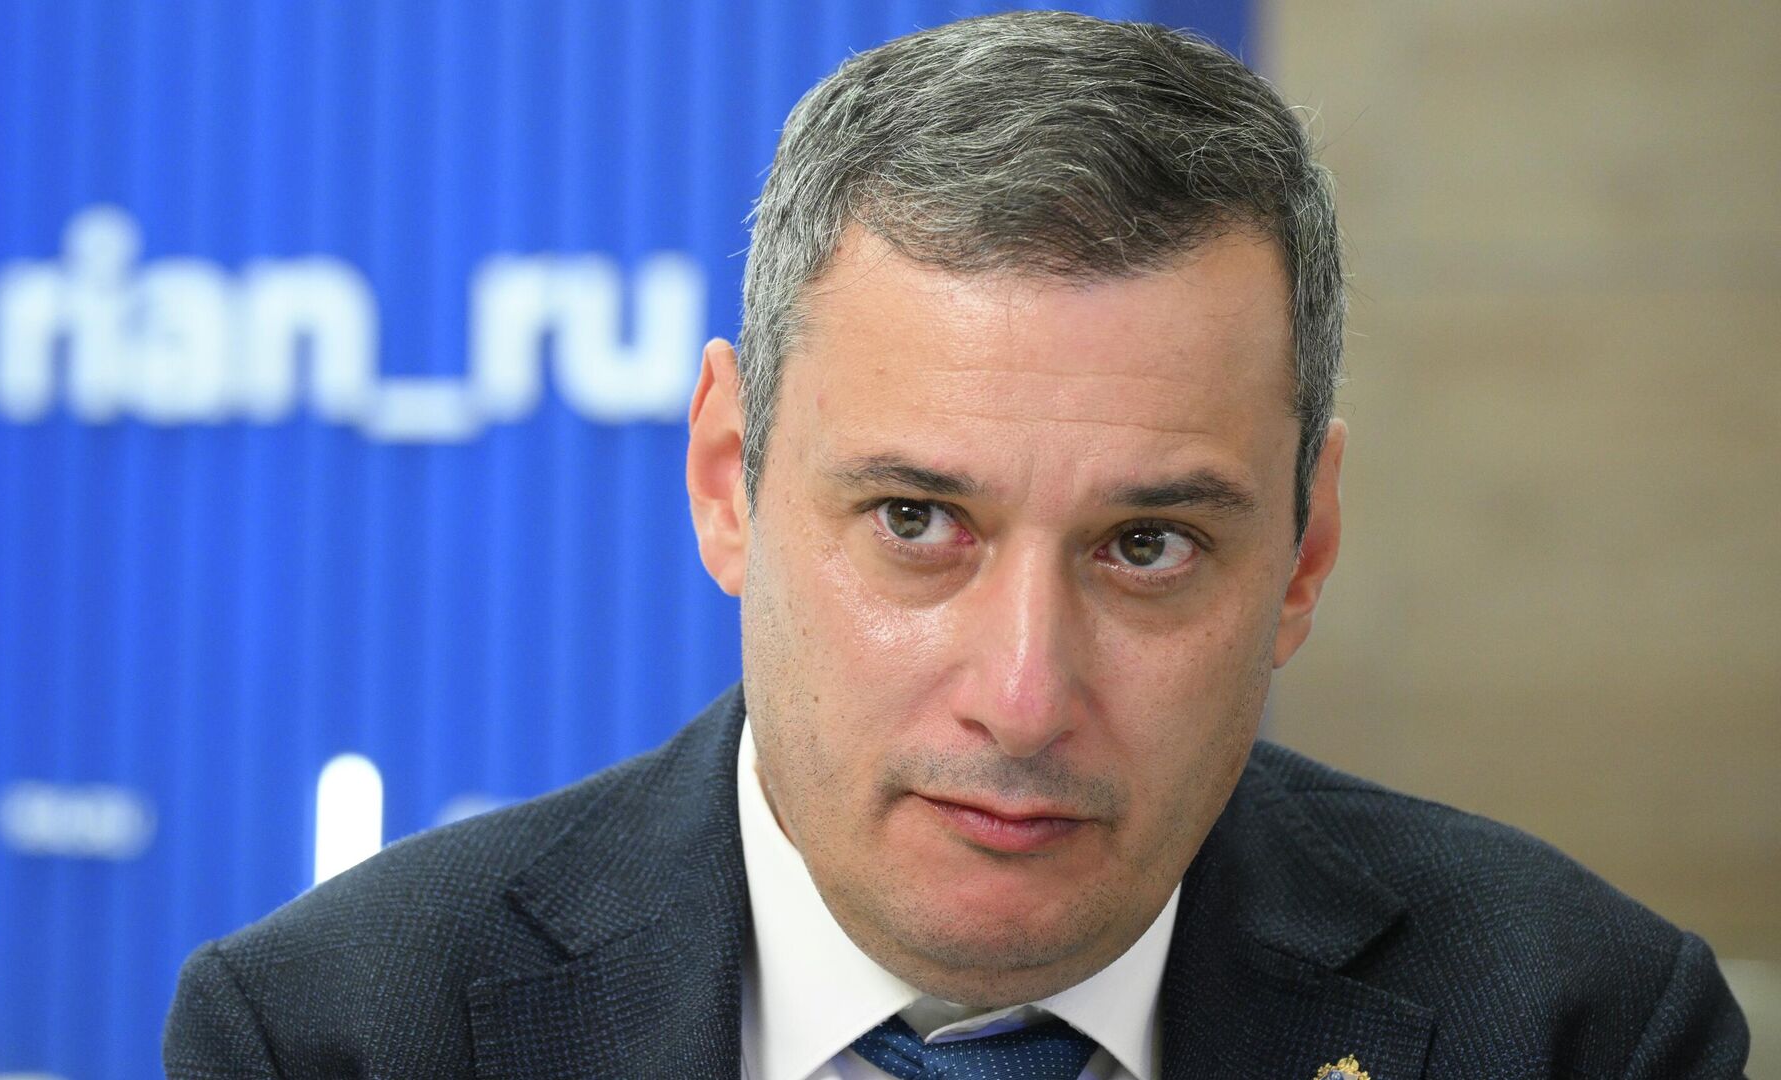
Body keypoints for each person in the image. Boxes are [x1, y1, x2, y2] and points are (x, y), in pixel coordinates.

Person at [163, 12, 1750, 1078]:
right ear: (727, 481)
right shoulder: (337, 1036)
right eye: (917, 522)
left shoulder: (1584, 1030)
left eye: (1147, 545)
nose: (1025, 696)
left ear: (1306, 551)